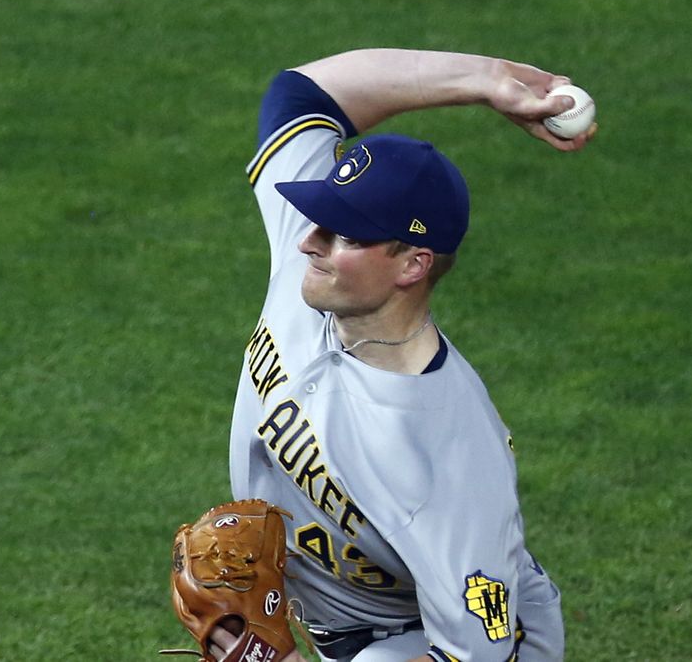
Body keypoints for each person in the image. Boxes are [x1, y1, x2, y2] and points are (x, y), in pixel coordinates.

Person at [214, 48, 594, 662]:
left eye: (344, 233)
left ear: (412, 265)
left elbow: (473, 655)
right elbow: (300, 96)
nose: (307, 240)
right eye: (318, 217)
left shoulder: (446, 454)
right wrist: (486, 81)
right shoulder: (317, 272)